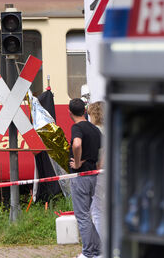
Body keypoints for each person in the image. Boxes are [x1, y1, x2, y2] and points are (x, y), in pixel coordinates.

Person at [69, 98, 102, 258]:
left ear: (70, 113)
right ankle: (99, 249)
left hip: (81, 176)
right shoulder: (95, 129)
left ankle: (88, 253)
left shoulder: (77, 127)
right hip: (93, 177)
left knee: (82, 216)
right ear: (84, 111)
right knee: (86, 215)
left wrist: (76, 162)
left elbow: (76, 144)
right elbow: (103, 151)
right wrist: (98, 167)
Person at [87, 102, 106, 246]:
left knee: (96, 210)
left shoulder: (94, 131)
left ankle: (100, 246)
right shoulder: (110, 128)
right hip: (111, 172)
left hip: (98, 172)